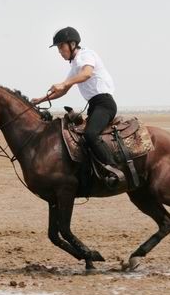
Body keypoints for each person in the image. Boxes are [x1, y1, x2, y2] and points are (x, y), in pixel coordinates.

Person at [31, 26, 122, 187]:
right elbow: (63, 91)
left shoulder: (86, 55)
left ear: (72, 44)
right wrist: (40, 100)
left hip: (105, 103)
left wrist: (64, 83)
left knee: (90, 134)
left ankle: (114, 169)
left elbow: (87, 74)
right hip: (94, 106)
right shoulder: (74, 66)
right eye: (58, 48)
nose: (59, 51)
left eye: (61, 46)